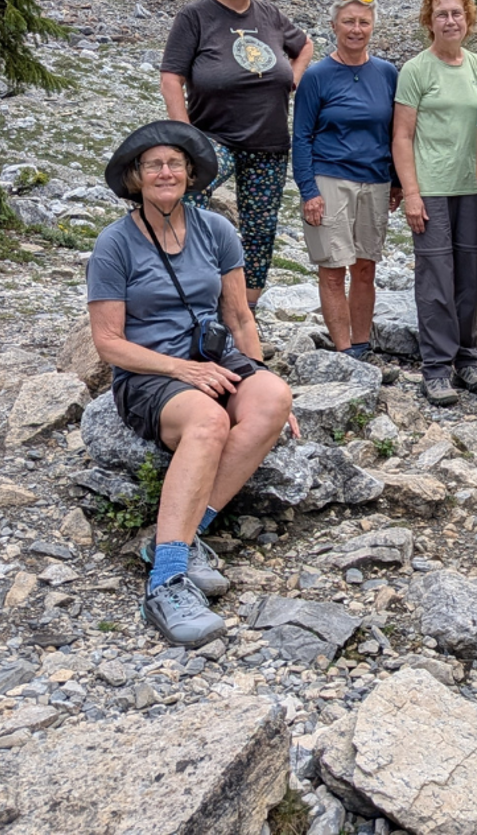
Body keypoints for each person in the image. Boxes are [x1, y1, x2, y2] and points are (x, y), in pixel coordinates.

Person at [86, 121, 297, 647]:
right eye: (153, 165)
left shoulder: (216, 231)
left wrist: (260, 374)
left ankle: (181, 537)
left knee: (272, 398)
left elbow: (240, 317)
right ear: (136, 177)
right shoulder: (114, 244)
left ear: (191, 174)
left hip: (213, 358)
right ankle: (166, 583)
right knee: (207, 421)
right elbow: (108, 343)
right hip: (150, 374)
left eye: (175, 164)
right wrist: (181, 370)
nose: (166, 173)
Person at [161, 0, 314, 306]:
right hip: (214, 136)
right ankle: (189, 288)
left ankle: (246, 311)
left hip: (268, 142)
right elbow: (171, 79)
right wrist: (185, 136)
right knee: (189, 192)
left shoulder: (270, 14)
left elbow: (305, 46)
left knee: (260, 229)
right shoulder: (195, 16)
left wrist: (292, 78)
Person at [394, 0, 477, 405]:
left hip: (473, 188)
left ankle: (467, 357)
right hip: (431, 188)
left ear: (467, 19)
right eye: (441, 15)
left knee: (470, 275)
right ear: (429, 22)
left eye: (456, 13)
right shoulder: (416, 70)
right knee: (435, 278)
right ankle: (435, 368)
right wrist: (411, 193)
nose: (450, 21)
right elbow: (402, 136)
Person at [292, 0, 399, 360]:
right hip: (330, 179)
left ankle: (362, 345)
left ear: (372, 27)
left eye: (363, 22)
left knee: (366, 267)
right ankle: (344, 352)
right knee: (334, 268)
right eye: (349, 22)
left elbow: (395, 132)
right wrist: (308, 191)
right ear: (333, 26)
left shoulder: (387, 73)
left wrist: (397, 180)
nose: (356, 29)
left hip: (376, 180)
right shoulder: (316, 77)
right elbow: (301, 137)